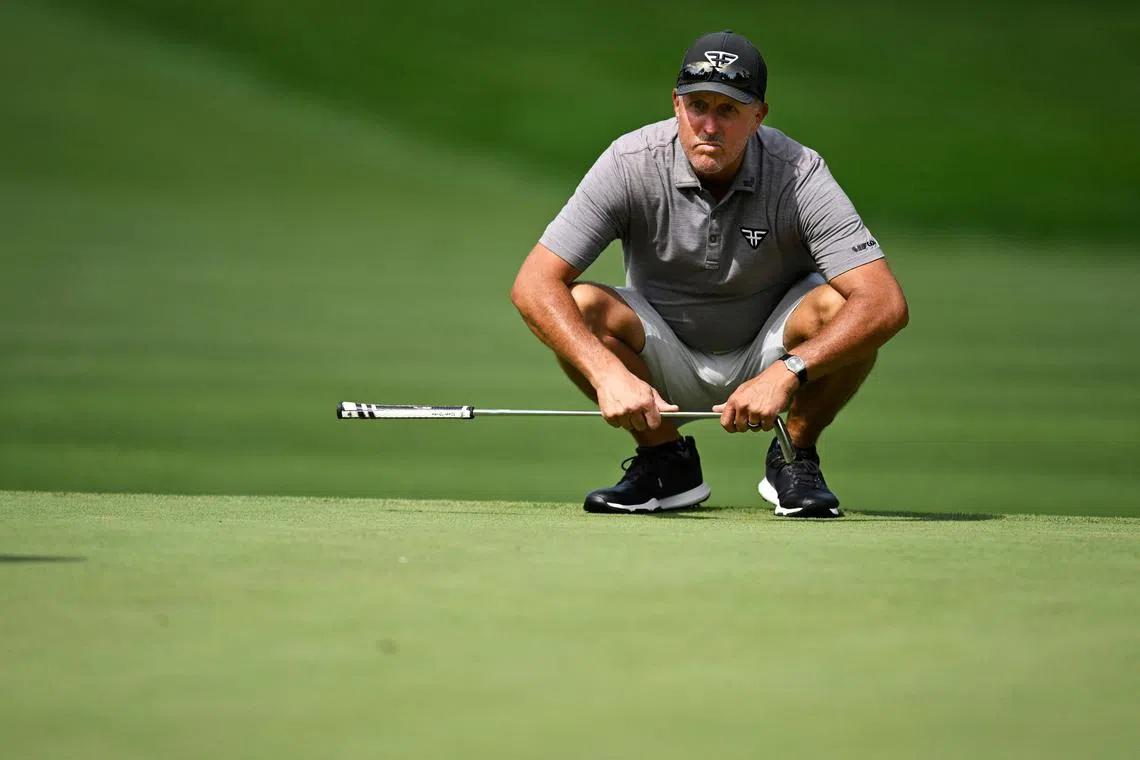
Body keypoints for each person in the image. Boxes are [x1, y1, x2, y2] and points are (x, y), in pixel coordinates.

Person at [511, 30, 909, 518]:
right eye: (698, 105)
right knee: (579, 307)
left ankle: (794, 456)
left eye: (728, 110)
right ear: (676, 104)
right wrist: (607, 373)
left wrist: (789, 371)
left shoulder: (798, 172)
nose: (709, 125)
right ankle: (665, 462)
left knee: (845, 308)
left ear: (758, 115)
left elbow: (885, 302)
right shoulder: (630, 162)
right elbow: (533, 283)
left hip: (774, 349)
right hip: (663, 349)